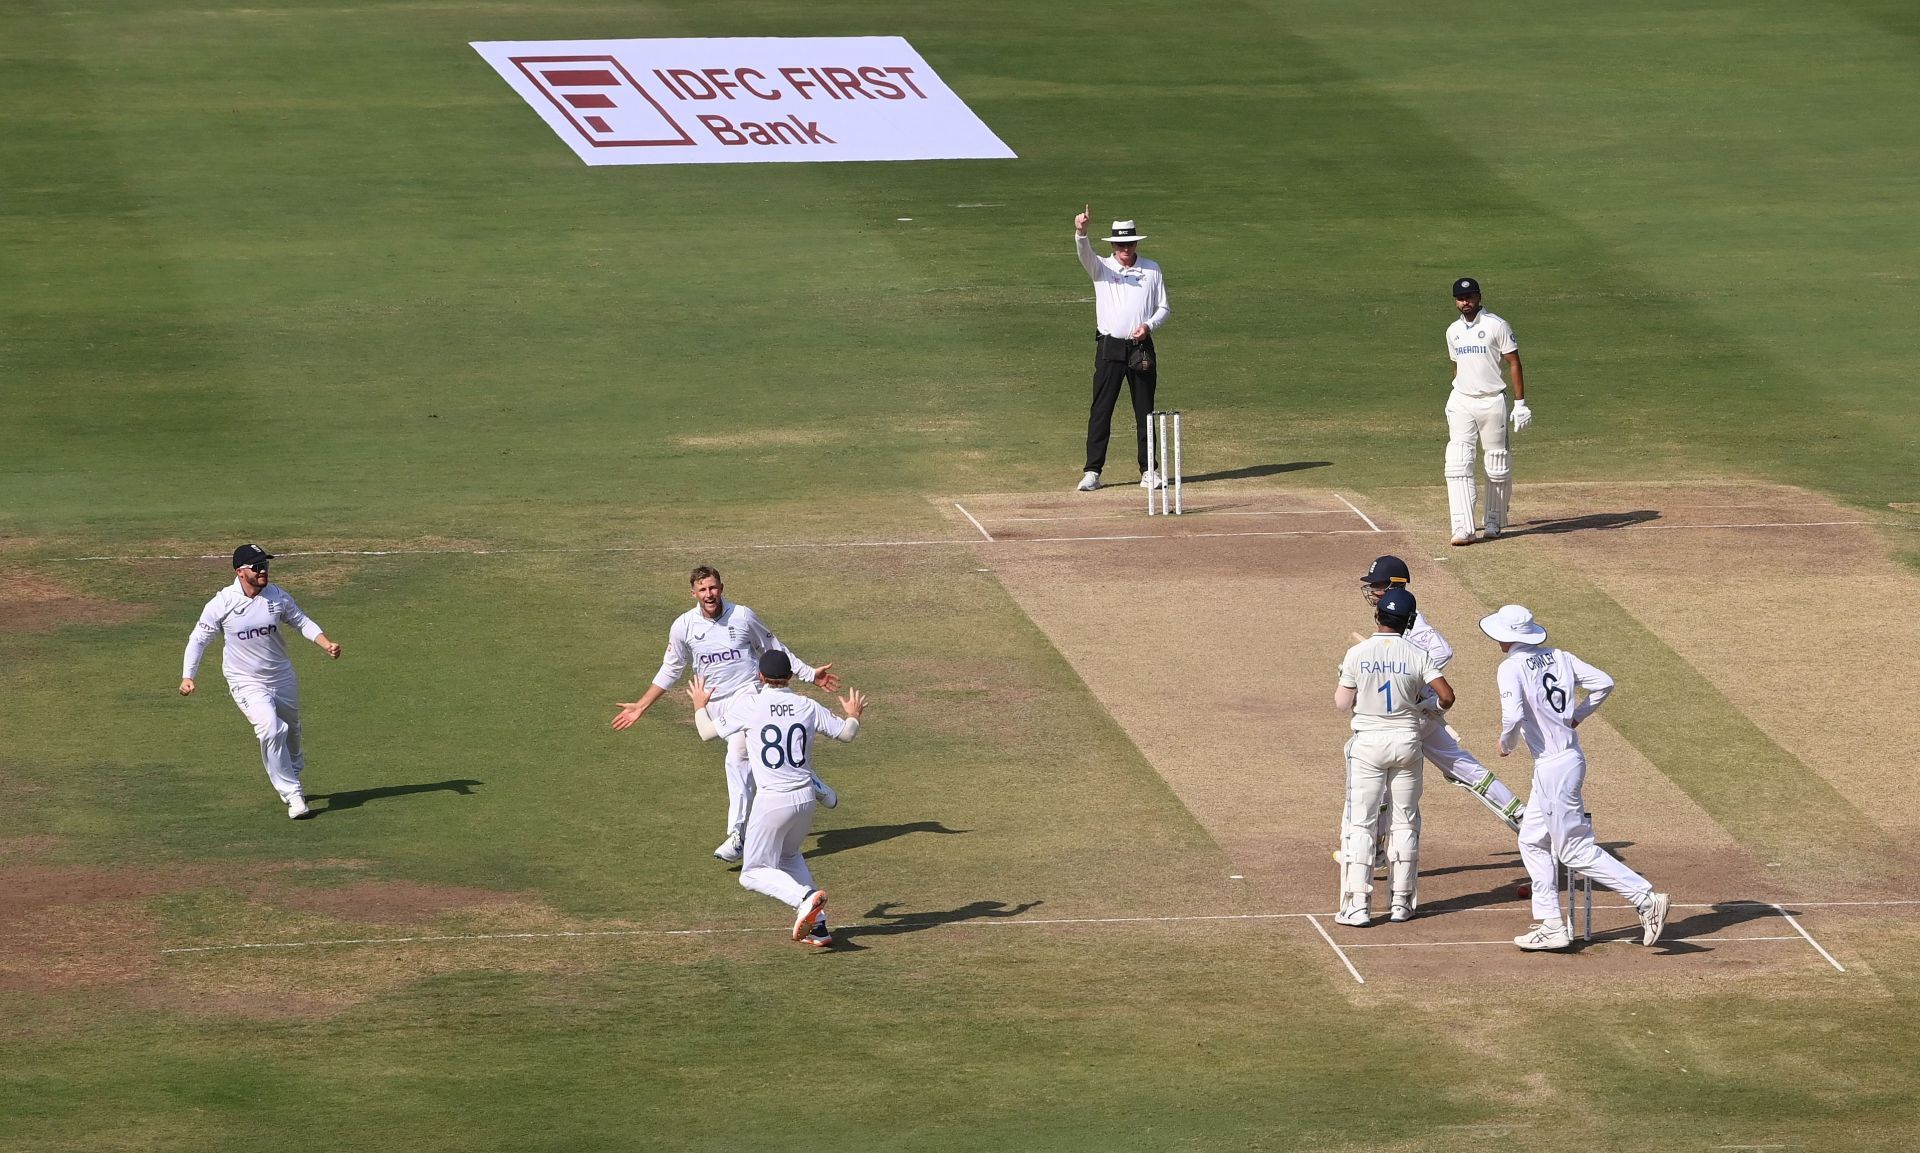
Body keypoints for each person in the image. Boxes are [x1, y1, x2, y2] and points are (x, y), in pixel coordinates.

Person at [612, 566, 841, 863]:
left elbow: (772, 647)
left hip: (748, 695)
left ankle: (737, 835)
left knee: (737, 757)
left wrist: (810, 674)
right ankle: (808, 780)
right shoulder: (683, 626)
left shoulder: (743, 616)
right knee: (754, 756)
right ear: (693, 593)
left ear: (722, 587)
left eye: (714, 588)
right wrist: (642, 705)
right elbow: (671, 668)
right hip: (713, 703)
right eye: (703, 590)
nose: (710, 594)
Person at [1479, 604, 1670, 951]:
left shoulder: (1510, 668)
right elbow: (1604, 683)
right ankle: (1551, 923)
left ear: (1507, 637)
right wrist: (1577, 716)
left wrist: (1506, 744)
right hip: (1563, 761)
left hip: (1554, 767)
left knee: (1573, 850)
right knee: (1532, 840)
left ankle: (1644, 897)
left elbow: (1513, 717)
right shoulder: (1560, 656)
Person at [690, 652, 867, 950]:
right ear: (790, 677)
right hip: (806, 799)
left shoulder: (751, 705)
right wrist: (853, 715)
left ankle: (805, 900)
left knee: (752, 873)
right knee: (788, 857)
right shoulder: (807, 705)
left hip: (772, 801)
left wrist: (699, 706)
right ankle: (818, 925)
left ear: (760, 677)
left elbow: (707, 732)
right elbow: (847, 735)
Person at [1358, 556, 1524, 837]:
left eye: (1377, 585)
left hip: (1409, 715)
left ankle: (1374, 850)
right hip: (1413, 714)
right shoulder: (1392, 616)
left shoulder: (1413, 623)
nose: (1372, 591)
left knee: (1381, 778)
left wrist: (1412, 678)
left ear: (1395, 586)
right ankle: (1521, 815)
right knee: (1463, 767)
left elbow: (1442, 651)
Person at [179, 544, 343, 819]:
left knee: (291, 732)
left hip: (281, 676)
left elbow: (301, 621)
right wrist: (188, 676)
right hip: (245, 680)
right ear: (240, 572)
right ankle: (293, 795)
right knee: (270, 729)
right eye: (256, 566)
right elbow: (198, 639)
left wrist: (325, 643)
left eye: (265, 565)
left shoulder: (277, 596)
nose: (263, 570)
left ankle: (292, 771)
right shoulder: (222, 604)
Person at [1334, 588, 1454, 927]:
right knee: (1405, 820)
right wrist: (1425, 707)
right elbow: (1447, 696)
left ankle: (1357, 906)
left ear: (1377, 617)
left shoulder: (1357, 653)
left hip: (1368, 744)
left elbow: (1342, 704)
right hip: (1407, 741)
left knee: (1362, 822)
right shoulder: (1417, 653)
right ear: (1408, 621)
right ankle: (1402, 903)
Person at [1073, 206, 1171, 492]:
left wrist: (1149, 326)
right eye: (1120, 244)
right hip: (1110, 347)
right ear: (1113, 246)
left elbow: (1164, 307)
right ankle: (1092, 471)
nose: (1125, 249)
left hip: (1141, 347)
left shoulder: (1152, 269)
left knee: (1145, 411)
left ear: (1136, 243)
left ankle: (1148, 471)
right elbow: (1084, 253)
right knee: (1101, 410)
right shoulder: (1102, 267)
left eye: (1129, 243)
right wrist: (1081, 231)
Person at [1442, 276, 1531, 545]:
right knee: (1458, 460)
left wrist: (1520, 403)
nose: (1465, 302)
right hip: (1461, 400)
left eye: (1469, 297)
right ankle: (1462, 527)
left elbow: (1514, 362)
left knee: (1497, 463)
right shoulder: (1452, 331)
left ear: (1479, 297)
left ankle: (1493, 520)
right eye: (1460, 298)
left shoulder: (1497, 325)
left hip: (1492, 400)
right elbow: (1456, 365)